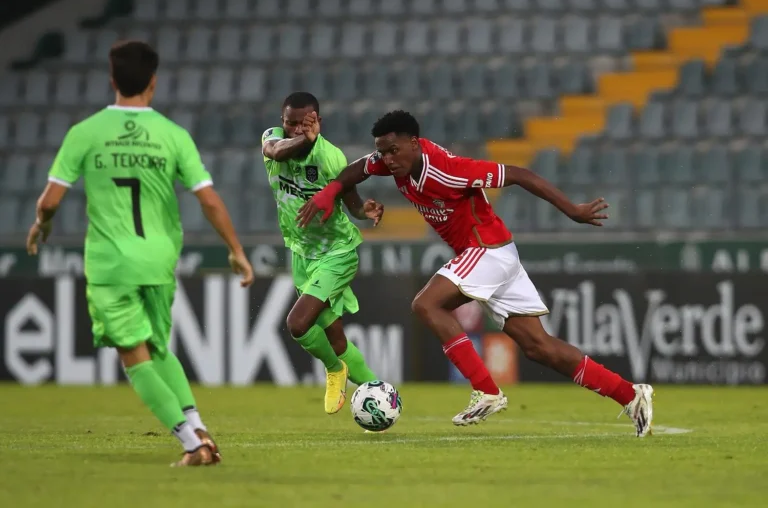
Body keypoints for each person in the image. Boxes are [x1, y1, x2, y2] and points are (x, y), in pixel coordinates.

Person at [297, 110, 654, 436]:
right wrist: (332, 192)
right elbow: (357, 169)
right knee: (540, 348)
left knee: (426, 304)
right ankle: (630, 394)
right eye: (383, 152)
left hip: (487, 250)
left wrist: (572, 210)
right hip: (495, 254)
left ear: (414, 144)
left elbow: (518, 174)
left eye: (393, 151)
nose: (387, 160)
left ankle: (486, 390)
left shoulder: (447, 169)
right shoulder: (392, 163)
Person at [25, 40, 255, 466]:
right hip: (159, 259)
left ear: (112, 79)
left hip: (111, 262)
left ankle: (192, 444)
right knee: (157, 348)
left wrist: (43, 225)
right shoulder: (173, 134)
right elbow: (208, 199)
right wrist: (236, 250)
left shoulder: (86, 132)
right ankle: (198, 427)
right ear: (153, 81)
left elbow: (51, 200)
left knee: (134, 355)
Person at [262, 92, 383, 415]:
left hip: (337, 252)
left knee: (298, 324)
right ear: (282, 122)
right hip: (302, 254)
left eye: (305, 123)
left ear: (318, 121)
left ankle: (333, 369)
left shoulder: (330, 157)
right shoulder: (272, 140)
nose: (296, 129)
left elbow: (351, 202)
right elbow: (277, 151)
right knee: (336, 337)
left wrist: (365, 211)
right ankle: (382, 400)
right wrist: (305, 138)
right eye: (290, 123)